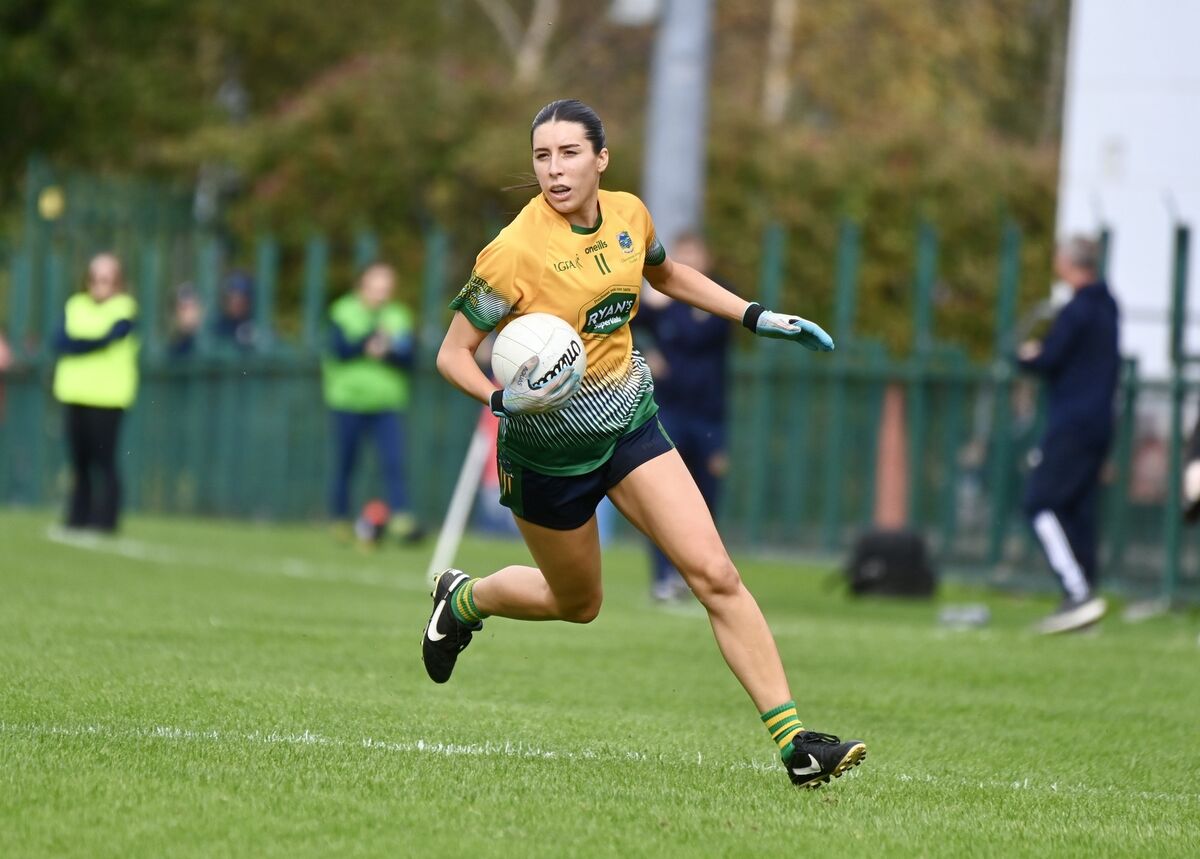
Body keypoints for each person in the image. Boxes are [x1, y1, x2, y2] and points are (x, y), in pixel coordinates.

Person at [424, 98, 866, 789]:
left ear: (601, 158)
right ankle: (464, 600)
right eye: (542, 156)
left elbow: (666, 276)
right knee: (579, 602)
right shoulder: (513, 252)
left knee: (715, 574)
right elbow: (453, 353)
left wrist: (755, 314)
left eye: (569, 153)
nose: (555, 169)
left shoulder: (630, 215)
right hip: (548, 454)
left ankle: (796, 745)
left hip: (630, 423)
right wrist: (500, 397)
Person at [1017, 234, 1119, 634]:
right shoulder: (1109, 305)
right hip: (1100, 424)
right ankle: (1085, 605)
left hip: (1072, 423)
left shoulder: (1076, 311)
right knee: (1078, 511)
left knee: (1040, 503)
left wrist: (1028, 356)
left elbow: (1050, 358)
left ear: (1067, 262)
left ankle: (1078, 594)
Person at [635, 233, 732, 601]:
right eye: (682, 253)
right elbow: (619, 323)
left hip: (709, 419)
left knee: (706, 502)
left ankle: (699, 576)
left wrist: (668, 300)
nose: (689, 259)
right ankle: (663, 579)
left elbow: (706, 329)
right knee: (664, 502)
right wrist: (647, 350)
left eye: (695, 253)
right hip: (668, 413)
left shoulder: (717, 296)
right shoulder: (660, 305)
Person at [321, 262, 420, 542]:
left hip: (387, 402)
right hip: (348, 401)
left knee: (393, 461)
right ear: (362, 285)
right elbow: (340, 349)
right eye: (376, 286)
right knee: (346, 462)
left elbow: (408, 357)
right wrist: (369, 342)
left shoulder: (399, 315)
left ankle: (400, 517)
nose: (381, 293)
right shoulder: (343, 311)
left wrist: (385, 351)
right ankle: (339, 518)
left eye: (386, 287)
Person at [52, 253, 139, 533]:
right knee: (79, 461)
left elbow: (109, 338)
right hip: (75, 394)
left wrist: (81, 344)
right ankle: (78, 516)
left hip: (108, 398)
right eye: (95, 278)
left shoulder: (125, 308)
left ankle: (106, 521)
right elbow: (60, 341)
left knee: (105, 461)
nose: (100, 284)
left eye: (107, 279)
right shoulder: (75, 305)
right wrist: (86, 343)